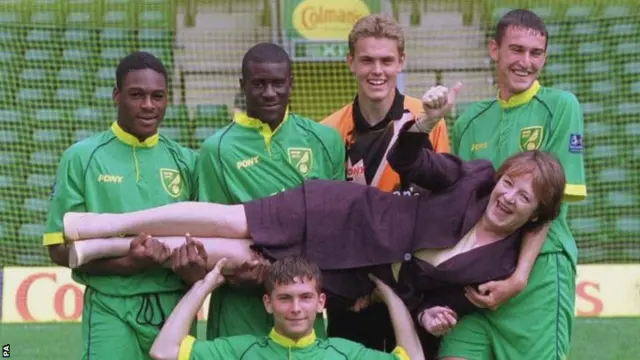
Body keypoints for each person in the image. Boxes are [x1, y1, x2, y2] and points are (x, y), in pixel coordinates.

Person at [62, 113, 566, 356]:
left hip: (354, 274)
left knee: (236, 257)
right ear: (497, 178)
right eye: (509, 184)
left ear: (537, 213)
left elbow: (429, 300)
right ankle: (104, 226)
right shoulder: (473, 178)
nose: (508, 198)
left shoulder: (498, 270)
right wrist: (425, 121)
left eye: (524, 198)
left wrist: (430, 316)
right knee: (229, 219)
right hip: (345, 214)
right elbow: (410, 160)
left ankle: (105, 248)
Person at [431, 9, 587, 360]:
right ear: (494, 49)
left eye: (536, 53)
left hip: (537, 278)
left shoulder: (561, 106)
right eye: (516, 50)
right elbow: (461, 205)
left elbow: (549, 206)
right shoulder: (470, 119)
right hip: (476, 278)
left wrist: (518, 278)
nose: (526, 62)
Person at [42, 52, 199, 359]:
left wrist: (193, 265)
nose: (148, 105)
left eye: (158, 96)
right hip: (109, 305)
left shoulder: (187, 161)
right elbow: (58, 249)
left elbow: (204, 244)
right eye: (136, 95)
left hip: (175, 306)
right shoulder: (82, 158)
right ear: (116, 96)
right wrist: (127, 264)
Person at [186, 42, 346, 342]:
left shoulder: (325, 140)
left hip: (302, 305)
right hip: (240, 309)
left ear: (291, 83)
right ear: (243, 85)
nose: (270, 92)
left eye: (277, 83)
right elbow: (211, 232)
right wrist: (237, 277)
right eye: (259, 84)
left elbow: (335, 226)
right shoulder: (216, 149)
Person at [320, 13, 451, 350]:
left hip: (412, 287)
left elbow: (441, 203)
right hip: (353, 286)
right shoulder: (328, 131)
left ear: (401, 62)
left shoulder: (428, 119)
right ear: (350, 62)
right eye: (366, 60)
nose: (377, 70)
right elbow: (329, 218)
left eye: (386, 60)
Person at [149, 256, 424, 360]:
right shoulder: (241, 351)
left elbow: (411, 358)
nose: (295, 308)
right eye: (284, 298)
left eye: (305, 297)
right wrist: (205, 285)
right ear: (268, 304)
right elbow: (164, 351)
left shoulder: (345, 354)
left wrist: (388, 295)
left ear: (321, 303)